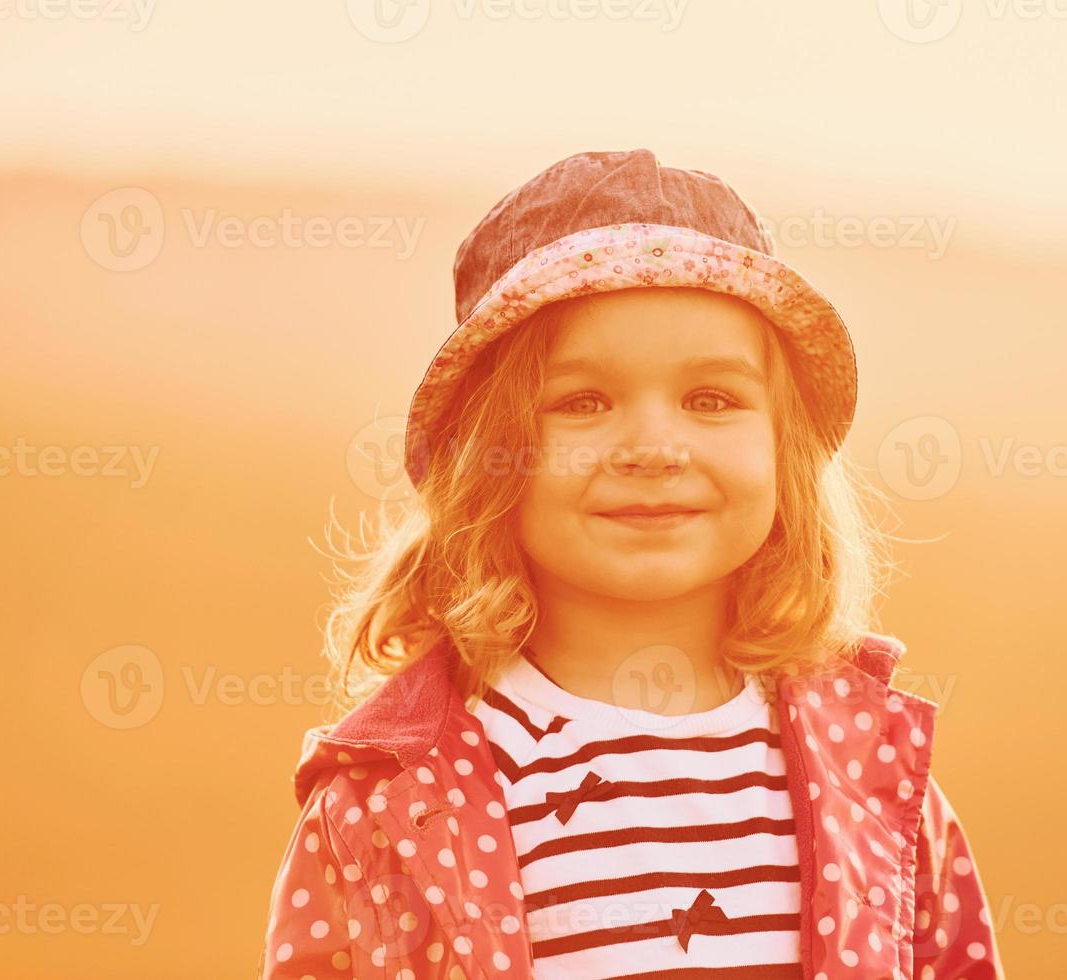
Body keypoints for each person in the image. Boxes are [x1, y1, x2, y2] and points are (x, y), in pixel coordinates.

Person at [258, 148, 1003, 979]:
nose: (653, 448)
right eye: (583, 402)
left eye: (711, 400)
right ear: (488, 455)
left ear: (785, 452)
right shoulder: (391, 804)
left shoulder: (873, 779)